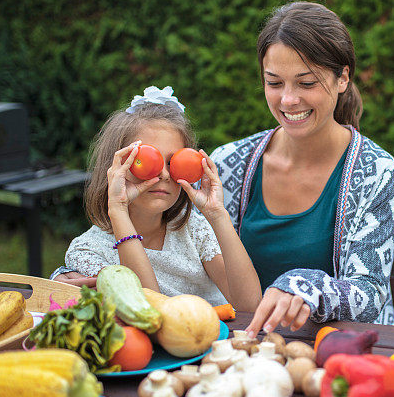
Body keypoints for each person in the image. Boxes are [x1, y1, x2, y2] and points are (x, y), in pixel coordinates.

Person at [210, 1, 394, 337]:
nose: (288, 100)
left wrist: (302, 286)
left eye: (306, 83)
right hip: (244, 351)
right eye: (274, 83)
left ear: (342, 78)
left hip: (340, 355)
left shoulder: (378, 172)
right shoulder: (228, 164)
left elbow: (369, 295)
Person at [52, 86, 262, 311]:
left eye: (174, 163)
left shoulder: (194, 231)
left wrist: (217, 214)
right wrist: (118, 210)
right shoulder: (89, 251)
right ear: (115, 169)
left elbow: (250, 306)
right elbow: (146, 309)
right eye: (147, 160)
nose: (163, 174)